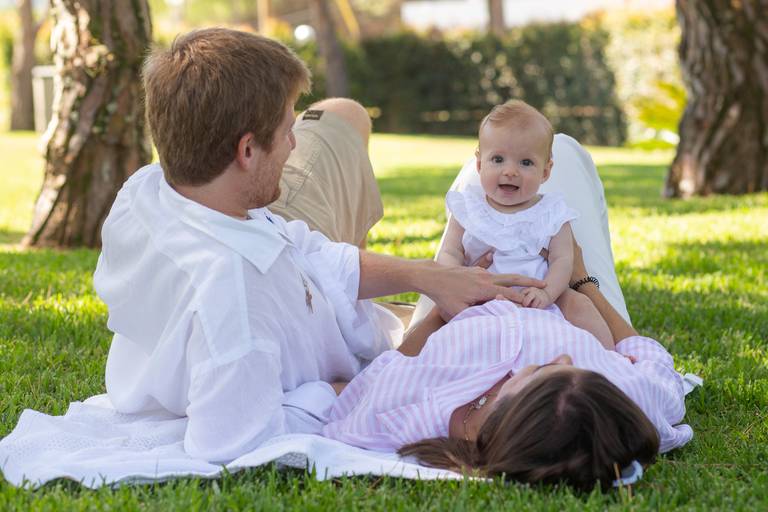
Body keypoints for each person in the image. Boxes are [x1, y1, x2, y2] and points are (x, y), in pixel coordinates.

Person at [92, 28, 543, 463]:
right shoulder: (233, 302)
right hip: (351, 353)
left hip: (315, 291)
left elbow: (303, 247)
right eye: (289, 131)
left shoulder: (155, 188)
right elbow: (233, 441)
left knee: (347, 113)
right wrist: (364, 385)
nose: (294, 144)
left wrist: (430, 276)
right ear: (247, 152)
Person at [322, 241, 693, 491]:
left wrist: (445, 299)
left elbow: (387, 367)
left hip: (459, 297)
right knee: (551, 155)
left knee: (501, 164)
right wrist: (583, 279)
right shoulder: (621, 403)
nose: (565, 359)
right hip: (567, 293)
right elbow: (651, 357)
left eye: (544, 371)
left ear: (513, 411)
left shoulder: (407, 414)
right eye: (575, 368)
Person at [437, 100, 613, 348]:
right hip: (481, 300)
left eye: (526, 163)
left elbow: (563, 260)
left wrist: (547, 292)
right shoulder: (469, 207)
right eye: (497, 159)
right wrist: (457, 278)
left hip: (541, 301)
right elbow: (450, 251)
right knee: (445, 314)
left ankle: (608, 358)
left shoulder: (551, 212)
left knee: (580, 304)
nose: (510, 171)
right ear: (479, 164)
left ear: (545, 171)